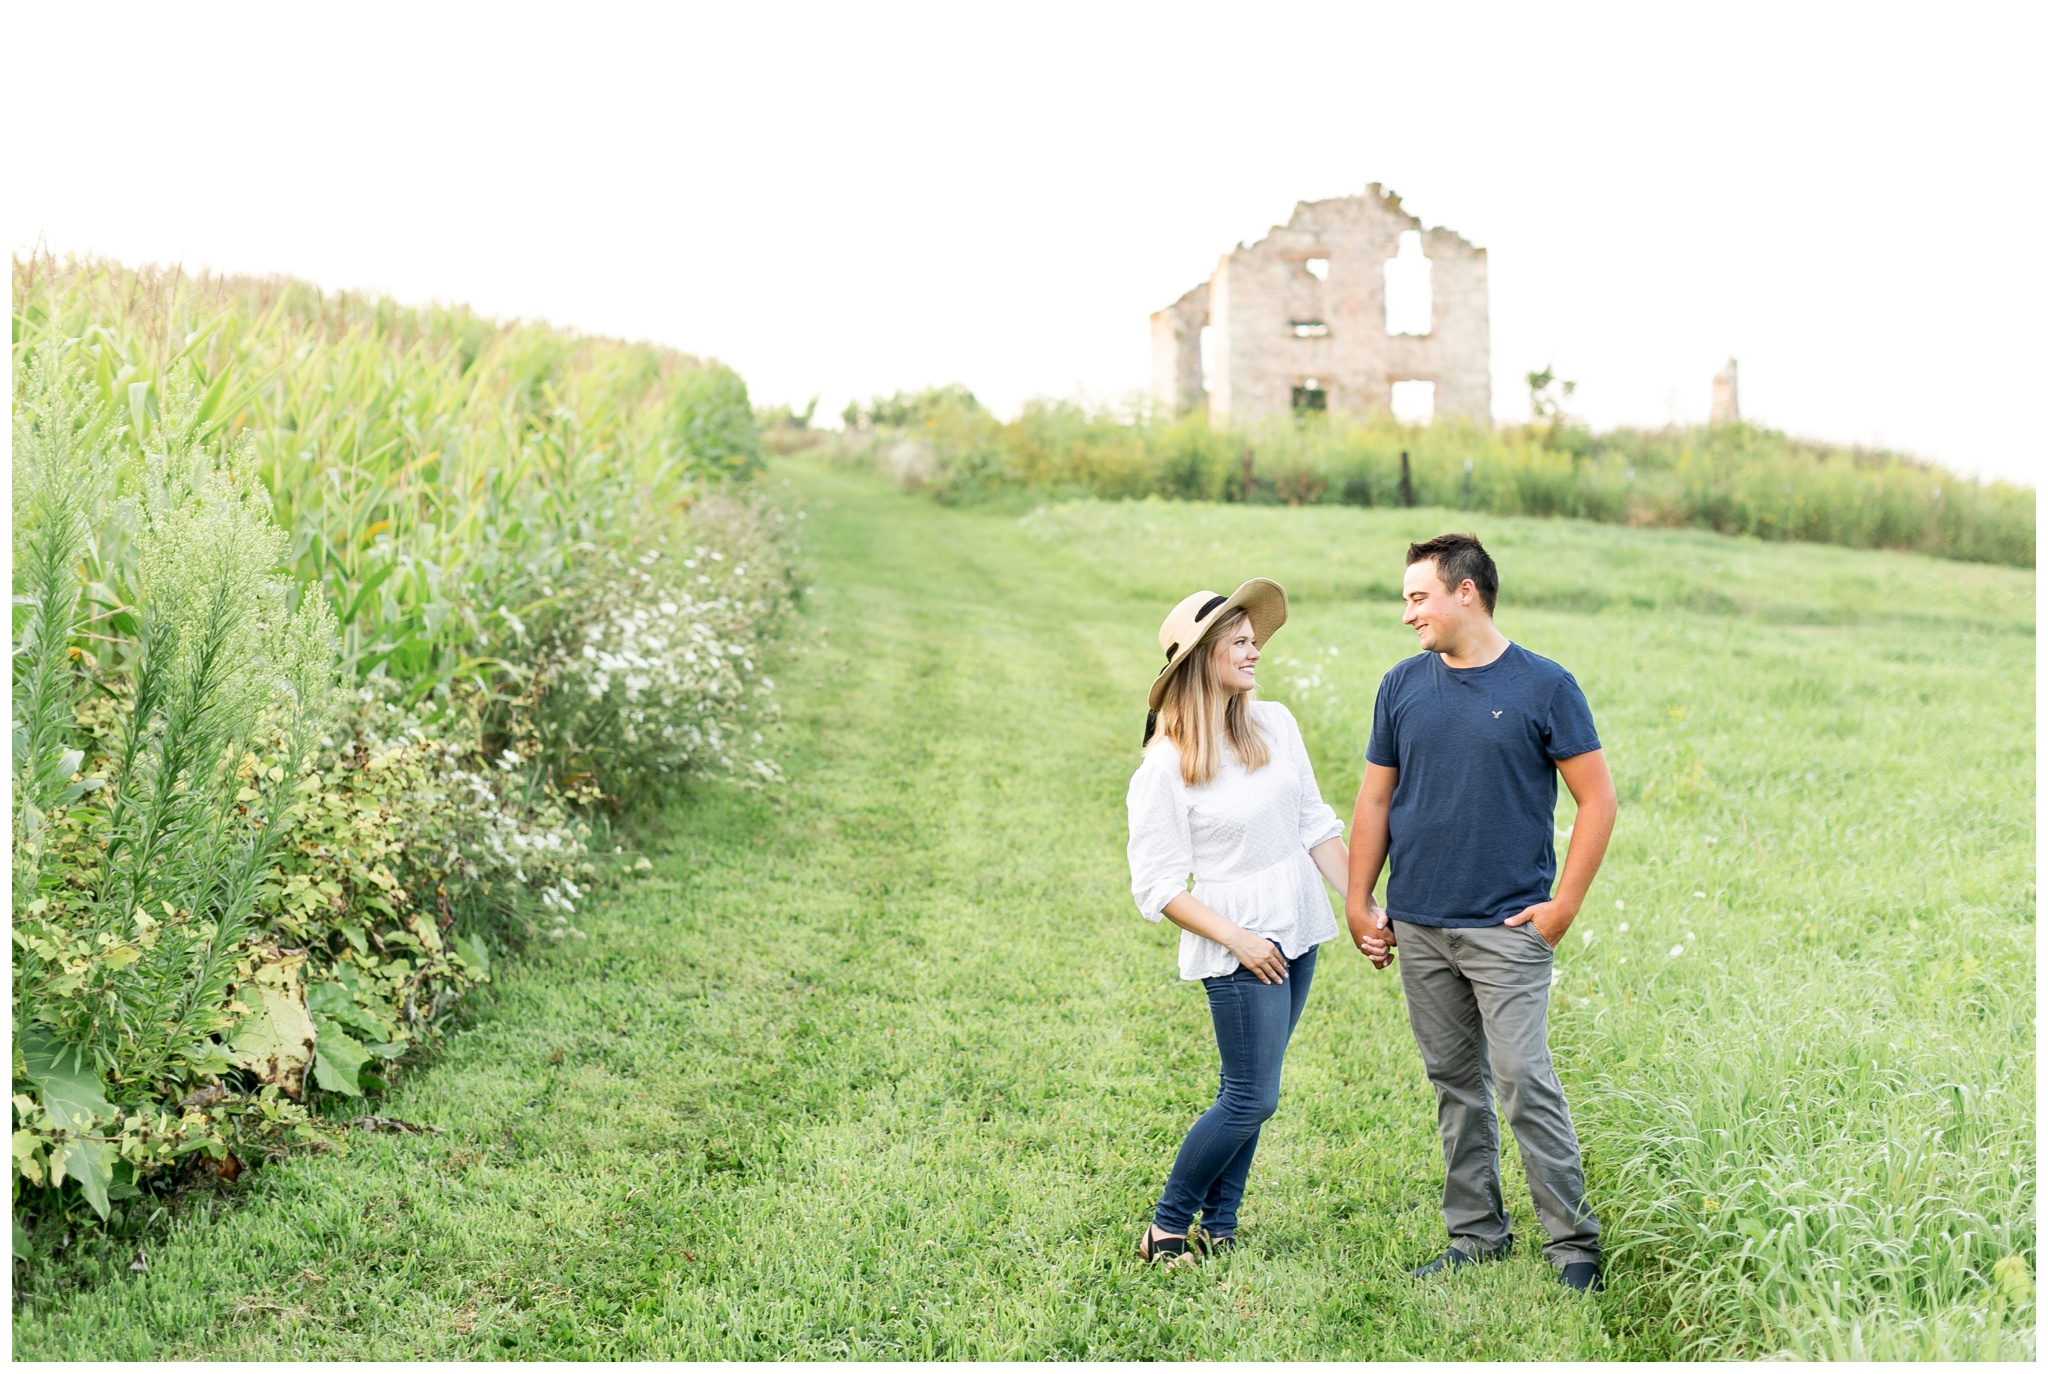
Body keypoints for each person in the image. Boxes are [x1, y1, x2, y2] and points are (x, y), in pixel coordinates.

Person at [1346, 533, 1616, 1295]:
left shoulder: (1545, 686)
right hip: (1421, 924)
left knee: (1524, 1079)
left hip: (1507, 931)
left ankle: (1573, 1248)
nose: (1408, 615)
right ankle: (1476, 1236)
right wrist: (1361, 900)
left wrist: (1562, 907)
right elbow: (1375, 798)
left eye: (1418, 597)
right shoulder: (1402, 686)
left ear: (1466, 592)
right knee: (1452, 1083)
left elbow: (1598, 801)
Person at [1125, 579, 1351, 1267]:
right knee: (1250, 1094)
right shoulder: (1165, 766)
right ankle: (1167, 1228)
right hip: (1241, 942)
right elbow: (1158, 887)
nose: (1256, 651)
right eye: (1241, 642)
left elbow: (1315, 825)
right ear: (1201, 658)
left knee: (1257, 1089)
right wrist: (1240, 941)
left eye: (1256, 640)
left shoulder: (1275, 724)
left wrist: (1362, 907)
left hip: (1298, 923)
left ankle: (1220, 1226)